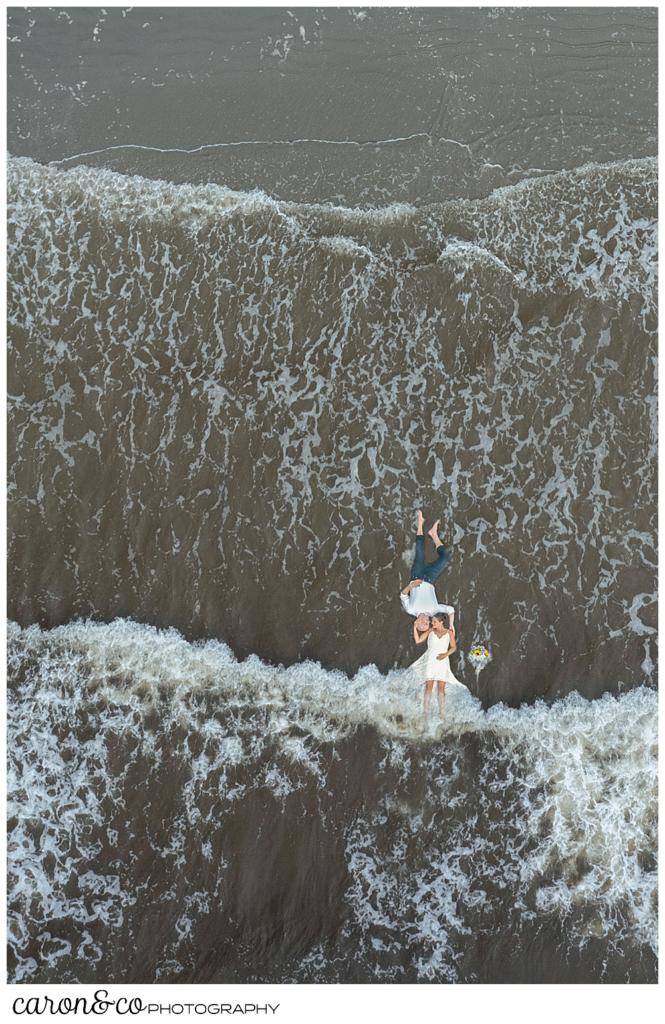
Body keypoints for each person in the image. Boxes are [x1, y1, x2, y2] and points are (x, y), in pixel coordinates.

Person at [400, 510, 455, 629]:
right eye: (428, 623)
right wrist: (451, 625)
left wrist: (411, 586)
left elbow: (403, 595)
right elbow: (450, 609)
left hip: (417, 576)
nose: (427, 621)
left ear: (417, 622)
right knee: (445, 558)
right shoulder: (434, 611)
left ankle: (420, 523)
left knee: (420, 551)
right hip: (430, 577)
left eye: (423, 623)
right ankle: (433, 534)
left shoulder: (411, 609)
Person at [411, 610, 459, 722]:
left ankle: (441, 714)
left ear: (441, 622)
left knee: (441, 688)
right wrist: (415, 627)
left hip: (443, 661)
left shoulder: (449, 633)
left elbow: (453, 647)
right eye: (432, 621)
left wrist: (445, 654)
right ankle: (425, 713)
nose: (432, 623)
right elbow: (418, 641)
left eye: (434, 621)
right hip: (430, 661)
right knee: (429, 687)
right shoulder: (430, 631)